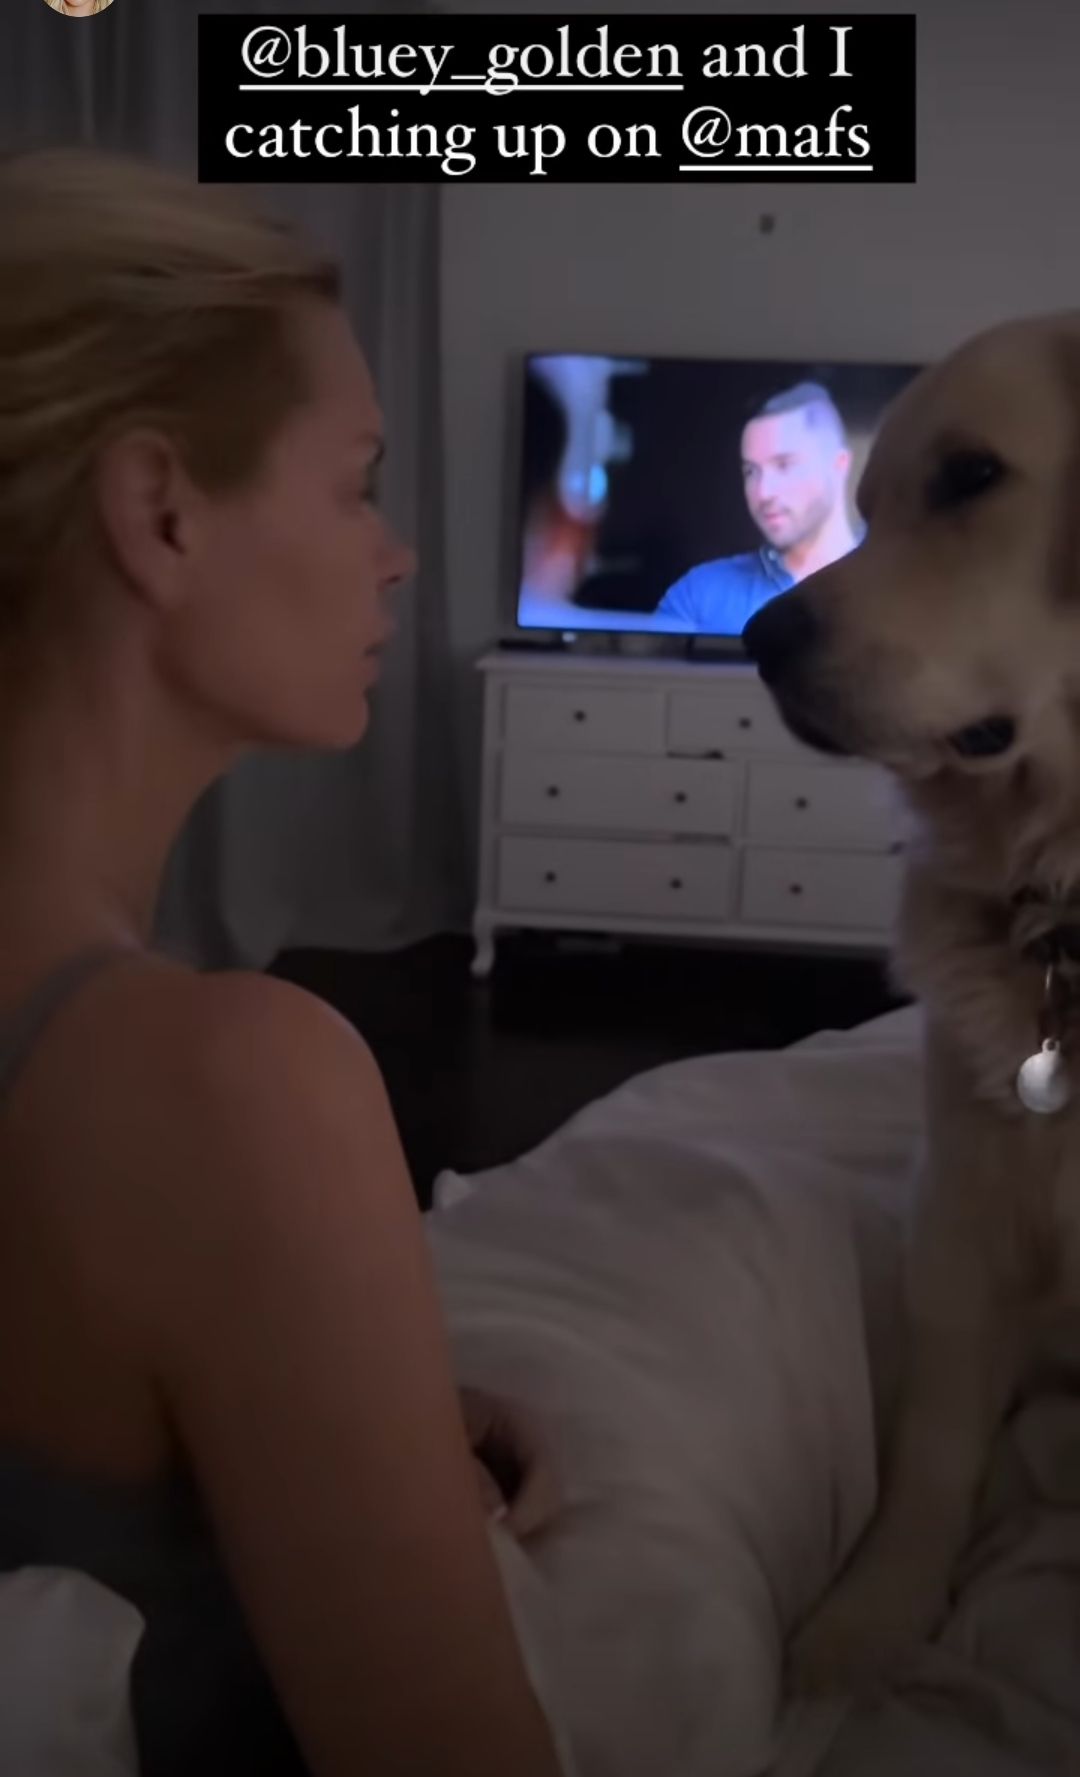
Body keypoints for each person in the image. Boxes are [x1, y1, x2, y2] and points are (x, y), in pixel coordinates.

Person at [0, 147, 561, 1777]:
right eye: (355, 483)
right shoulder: (234, 1084)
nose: (395, 554)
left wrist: (342, 1416)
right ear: (162, 513)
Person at [656, 381, 860, 633]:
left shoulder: (898, 588)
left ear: (839, 465)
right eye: (751, 471)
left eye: (784, 465)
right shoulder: (700, 598)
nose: (763, 492)